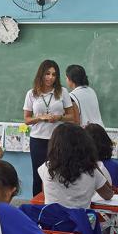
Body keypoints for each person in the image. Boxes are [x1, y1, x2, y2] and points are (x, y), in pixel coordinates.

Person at [23, 60, 75, 196]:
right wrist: (40, 118)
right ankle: (38, 207)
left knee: (59, 174)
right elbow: (27, 119)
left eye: (54, 74)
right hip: (38, 140)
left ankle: (58, 205)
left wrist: (59, 118)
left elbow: (72, 117)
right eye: (47, 73)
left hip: (58, 139)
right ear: (41, 74)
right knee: (38, 175)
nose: (50, 77)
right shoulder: (31, 93)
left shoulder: (62, 92)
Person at [39, 123, 113, 209]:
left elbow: (46, 195)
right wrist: (93, 163)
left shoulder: (46, 168)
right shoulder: (91, 170)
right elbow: (109, 194)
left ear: (54, 145)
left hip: (52, 221)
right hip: (79, 221)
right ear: (85, 145)